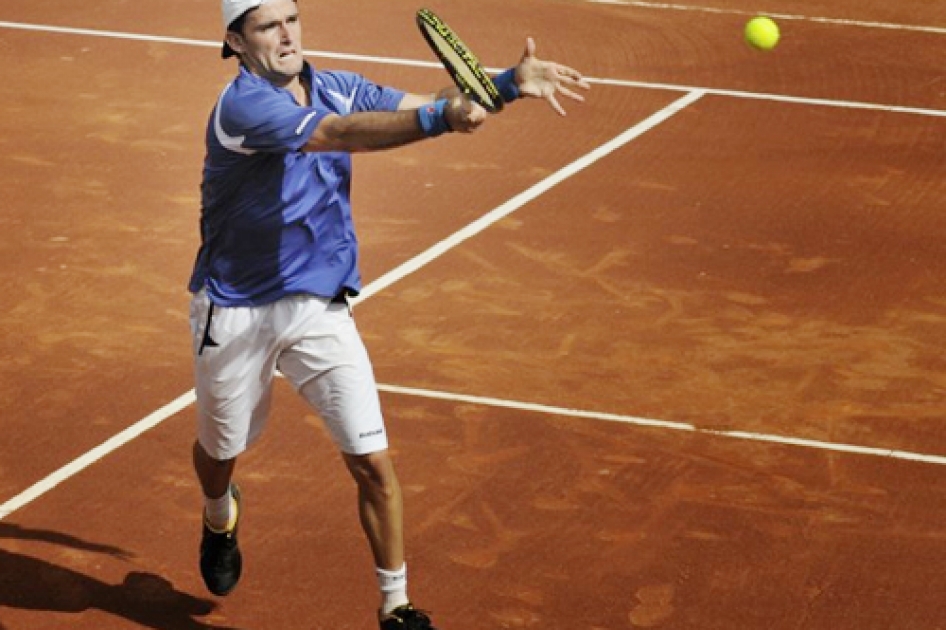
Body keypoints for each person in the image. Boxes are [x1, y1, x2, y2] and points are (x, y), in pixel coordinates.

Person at [187, 1, 590, 628]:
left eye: (292, 18)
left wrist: (507, 82)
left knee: (372, 463)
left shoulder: (339, 85)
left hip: (319, 304)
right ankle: (220, 512)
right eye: (268, 26)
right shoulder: (243, 106)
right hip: (236, 308)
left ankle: (395, 605)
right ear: (236, 42)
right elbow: (340, 134)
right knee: (221, 447)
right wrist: (443, 119)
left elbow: (410, 105)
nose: (287, 33)